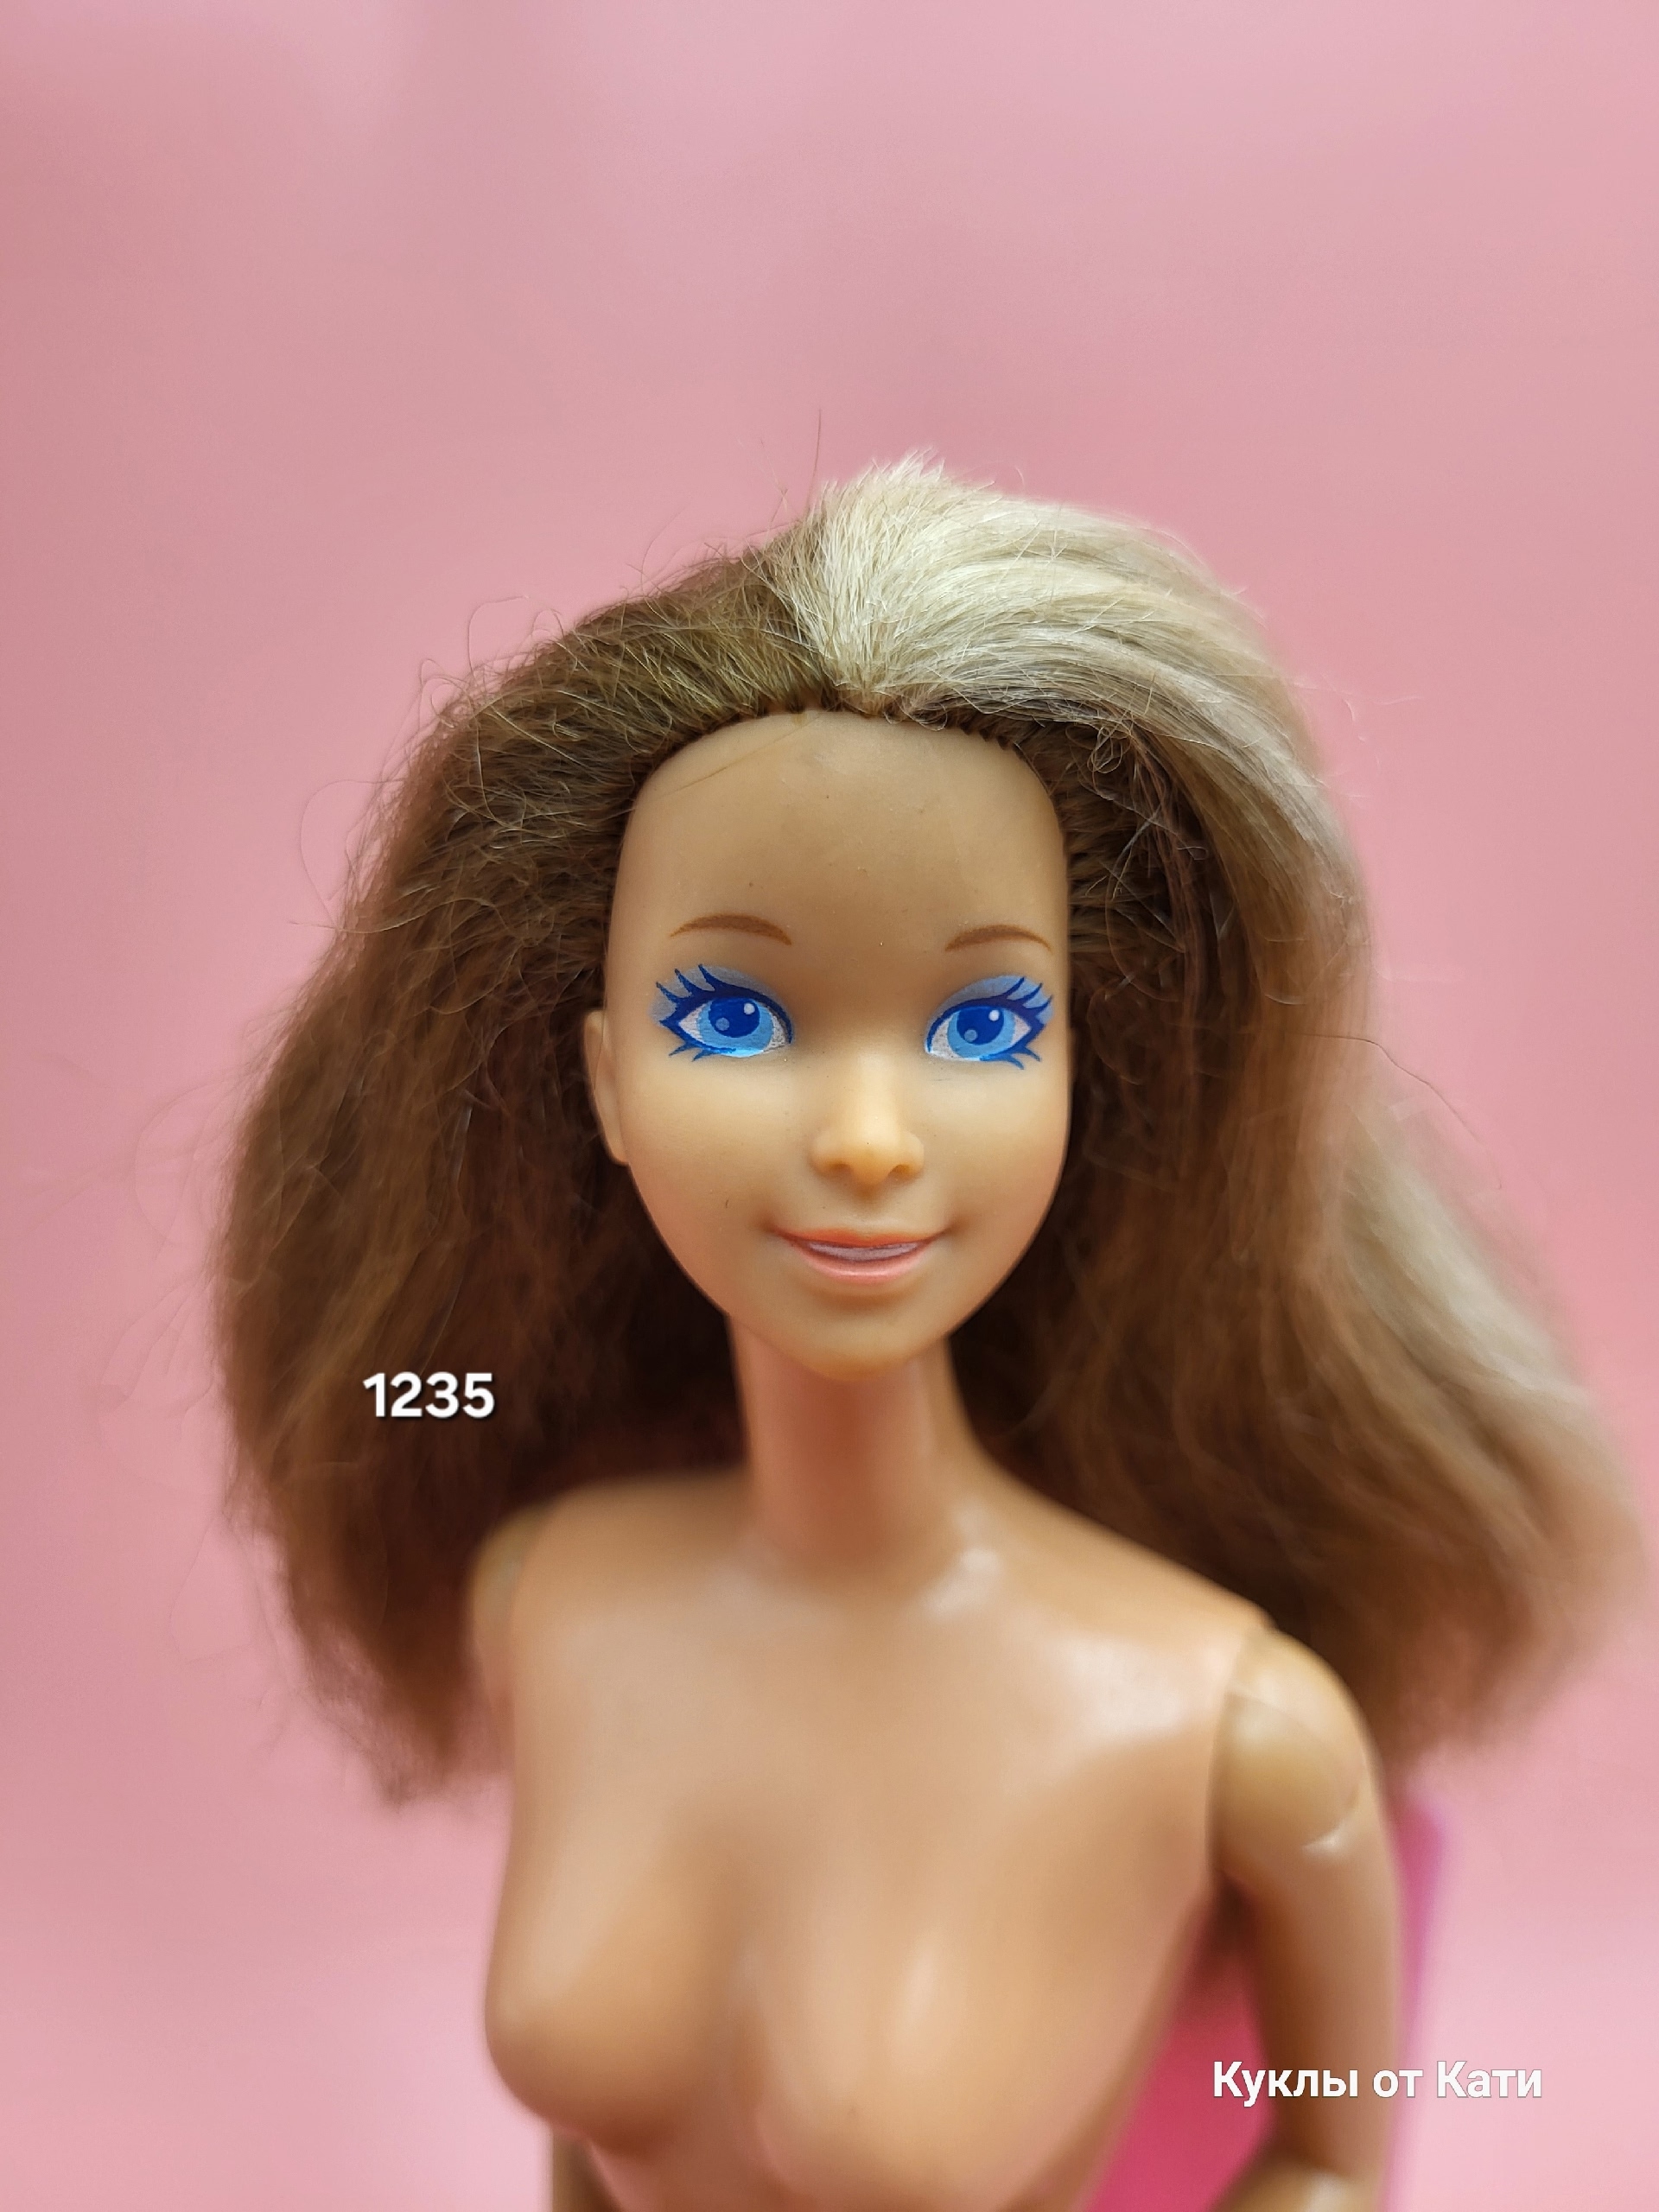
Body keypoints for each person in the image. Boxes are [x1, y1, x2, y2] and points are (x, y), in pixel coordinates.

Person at [218, 461, 1627, 2211]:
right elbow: (598, 2151)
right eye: (732, 1015)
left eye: (983, 1023)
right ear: (605, 1081)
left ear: (1083, 1075)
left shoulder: (1234, 1728)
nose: (871, 1136)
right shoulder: (549, 1600)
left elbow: (1329, 2149)